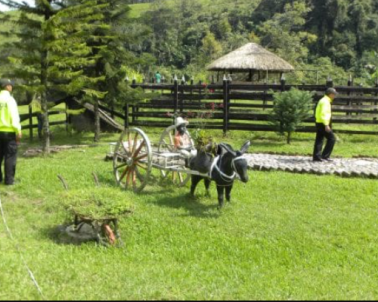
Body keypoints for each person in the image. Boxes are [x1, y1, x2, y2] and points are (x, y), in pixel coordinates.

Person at [0, 79, 22, 185]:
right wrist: (18, 131)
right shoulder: (9, 99)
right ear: (7, 86)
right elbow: (14, 116)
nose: (11, 87)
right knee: (10, 156)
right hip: (8, 132)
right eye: (11, 85)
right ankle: (9, 181)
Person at [313, 87, 338, 162]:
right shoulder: (325, 102)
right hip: (323, 123)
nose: (334, 96)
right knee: (332, 139)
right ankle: (325, 156)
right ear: (330, 94)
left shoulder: (323, 100)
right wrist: (326, 125)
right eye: (334, 94)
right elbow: (324, 113)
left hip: (319, 122)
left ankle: (317, 157)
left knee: (319, 140)